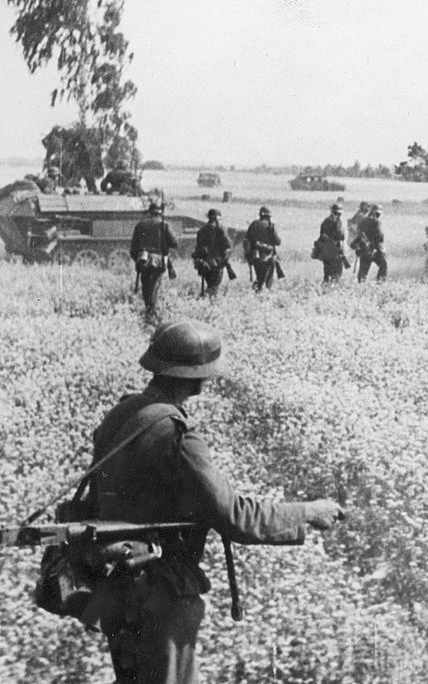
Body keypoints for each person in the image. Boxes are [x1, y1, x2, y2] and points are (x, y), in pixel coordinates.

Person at [81, 320, 344, 684]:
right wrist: (307, 513)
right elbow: (232, 514)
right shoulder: (176, 434)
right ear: (197, 377)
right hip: (161, 594)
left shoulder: (120, 415)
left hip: (117, 587)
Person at [130, 201, 179, 316]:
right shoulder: (164, 225)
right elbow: (175, 243)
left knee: (146, 287)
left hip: (143, 261)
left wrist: (138, 261)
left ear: (149, 213)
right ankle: (152, 312)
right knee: (155, 287)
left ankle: (148, 309)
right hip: (158, 262)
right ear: (160, 213)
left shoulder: (140, 225)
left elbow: (133, 249)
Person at [193, 209, 233, 297]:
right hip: (217, 263)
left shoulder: (202, 230)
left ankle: (207, 302)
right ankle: (205, 300)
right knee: (213, 287)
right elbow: (228, 245)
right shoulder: (221, 229)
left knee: (210, 285)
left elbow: (198, 249)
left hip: (205, 263)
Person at [244, 207, 282, 292]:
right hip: (268, 256)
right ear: (269, 216)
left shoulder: (253, 224)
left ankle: (258, 291)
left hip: (255, 256)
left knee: (259, 277)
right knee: (268, 280)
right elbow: (278, 242)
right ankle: (264, 294)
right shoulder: (270, 226)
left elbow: (247, 240)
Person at [355, 204, 388, 283]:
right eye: (377, 214)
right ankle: (380, 281)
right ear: (374, 212)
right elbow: (380, 236)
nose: (378, 215)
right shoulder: (377, 222)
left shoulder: (363, 221)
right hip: (374, 249)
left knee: (363, 271)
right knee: (383, 264)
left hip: (364, 249)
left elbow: (358, 234)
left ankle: (361, 285)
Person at [317, 203, 348, 284]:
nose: (338, 215)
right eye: (337, 213)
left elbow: (321, 234)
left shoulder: (325, 221)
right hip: (334, 252)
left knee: (327, 274)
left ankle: (324, 290)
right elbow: (341, 235)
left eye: (339, 214)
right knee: (337, 274)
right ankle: (332, 290)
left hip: (325, 252)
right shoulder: (337, 222)